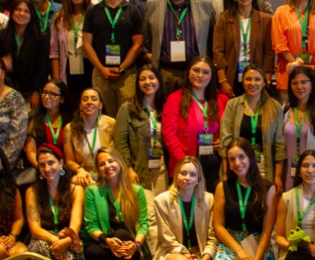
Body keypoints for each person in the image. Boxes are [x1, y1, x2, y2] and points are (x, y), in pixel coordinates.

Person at [206, 138, 280, 260]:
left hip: (258, 244)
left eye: (241, 157)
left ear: (251, 158)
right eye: (232, 159)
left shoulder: (268, 188)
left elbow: (267, 230)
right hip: (232, 242)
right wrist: (241, 253)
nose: (237, 163)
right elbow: (219, 227)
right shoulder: (222, 187)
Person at [82, 148, 150, 260]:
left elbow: (143, 224)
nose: (108, 166)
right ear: (97, 169)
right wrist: (107, 240)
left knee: (122, 233)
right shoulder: (92, 191)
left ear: (119, 162)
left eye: (111, 161)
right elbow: (91, 226)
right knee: (92, 252)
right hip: (103, 242)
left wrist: (136, 245)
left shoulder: (136, 190)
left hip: (130, 244)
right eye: (102, 163)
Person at [151, 156, 216, 260]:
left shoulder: (208, 199)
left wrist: (205, 259)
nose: (187, 178)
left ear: (198, 179)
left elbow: (212, 237)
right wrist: (191, 259)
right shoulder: (162, 200)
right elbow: (167, 239)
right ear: (176, 175)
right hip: (173, 252)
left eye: (192, 175)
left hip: (199, 252)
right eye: (183, 173)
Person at [24, 144, 88, 260]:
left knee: (74, 248)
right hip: (43, 237)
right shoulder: (31, 191)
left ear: (60, 163)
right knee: (42, 248)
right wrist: (55, 242)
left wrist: (66, 241)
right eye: (42, 165)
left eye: (51, 163)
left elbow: (76, 223)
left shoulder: (75, 189)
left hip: (69, 237)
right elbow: (35, 228)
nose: (47, 168)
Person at [83, 0, 144, 116]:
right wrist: (102, 69)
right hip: (100, 72)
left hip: (127, 74)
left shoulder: (132, 11)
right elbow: (86, 44)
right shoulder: (93, 11)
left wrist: (122, 67)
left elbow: (138, 44)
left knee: (127, 115)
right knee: (103, 116)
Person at [143, 0, 215, 95]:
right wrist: (149, 54)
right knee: (166, 110)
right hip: (165, 71)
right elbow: (146, 37)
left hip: (196, 72)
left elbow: (212, 38)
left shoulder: (205, 4)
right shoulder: (153, 4)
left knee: (194, 110)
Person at [162, 55, 229, 184]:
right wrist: (186, 163)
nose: (200, 75)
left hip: (215, 164)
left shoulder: (222, 99)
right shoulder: (175, 99)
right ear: (188, 73)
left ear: (212, 76)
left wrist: (224, 142)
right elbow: (169, 135)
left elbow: (230, 131)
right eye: (196, 70)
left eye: (205, 72)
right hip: (185, 165)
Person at [219, 64, 286, 189]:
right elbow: (225, 142)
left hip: (265, 168)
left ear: (264, 83)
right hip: (237, 167)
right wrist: (226, 173)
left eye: (257, 79)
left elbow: (279, 144)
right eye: (248, 79)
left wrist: (277, 176)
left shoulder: (274, 106)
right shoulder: (232, 105)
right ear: (243, 81)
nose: (252, 83)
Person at [212, 0, 274, 97]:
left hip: (256, 78)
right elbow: (218, 52)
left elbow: (269, 52)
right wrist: (222, 81)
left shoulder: (265, 20)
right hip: (231, 77)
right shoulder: (224, 19)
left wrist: (267, 78)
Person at [114, 64, 169, 193]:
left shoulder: (167, 106)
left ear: (159, 81)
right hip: (139, 170)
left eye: (151, 78)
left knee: (160, 208)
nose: (147, 82)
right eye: (142, 79)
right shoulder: (128, 108)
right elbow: (120, 143)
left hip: (162, 168)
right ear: (137, 83)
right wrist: (128, 169)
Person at [49, 0, 93, 106]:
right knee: (70, 107)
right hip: (67, 70)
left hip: (89, 68)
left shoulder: (94, 15)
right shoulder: (59, 17)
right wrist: (57, 79)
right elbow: (54, 52)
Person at [282, 65, 315, 190]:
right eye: (295, 83)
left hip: (311, 173)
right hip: (288, 172)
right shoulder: (284, 111)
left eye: (304, 82)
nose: (299, 87)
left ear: (312, 85)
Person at [0, 0, 49, 98]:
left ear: (32, 15)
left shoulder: (41, 39)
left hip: (30, 92)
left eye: (26, 11)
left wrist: (37, 91)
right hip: (4, 90)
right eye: (18, 9)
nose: (21, 13)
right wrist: (1, 63)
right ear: (12, 12)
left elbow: (43, 68)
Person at [63, 86, 116, 186]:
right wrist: (80, 171)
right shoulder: (70, 128)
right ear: (80, 105)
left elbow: (118, 155)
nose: (89, 102)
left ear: (100, 105)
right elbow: (69, 161)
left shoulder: (111, 124)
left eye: (94, 99)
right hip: (84, 173)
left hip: (107, 170)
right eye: (85, 99)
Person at [25, 79, 67, 169]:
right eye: (44, 92)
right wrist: (41, 168)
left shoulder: (69, 120)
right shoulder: (34, 117)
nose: (46, 97)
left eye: (52, 94)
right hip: (41, 167)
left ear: (62, 99)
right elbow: (30, 150)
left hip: (64, 168)